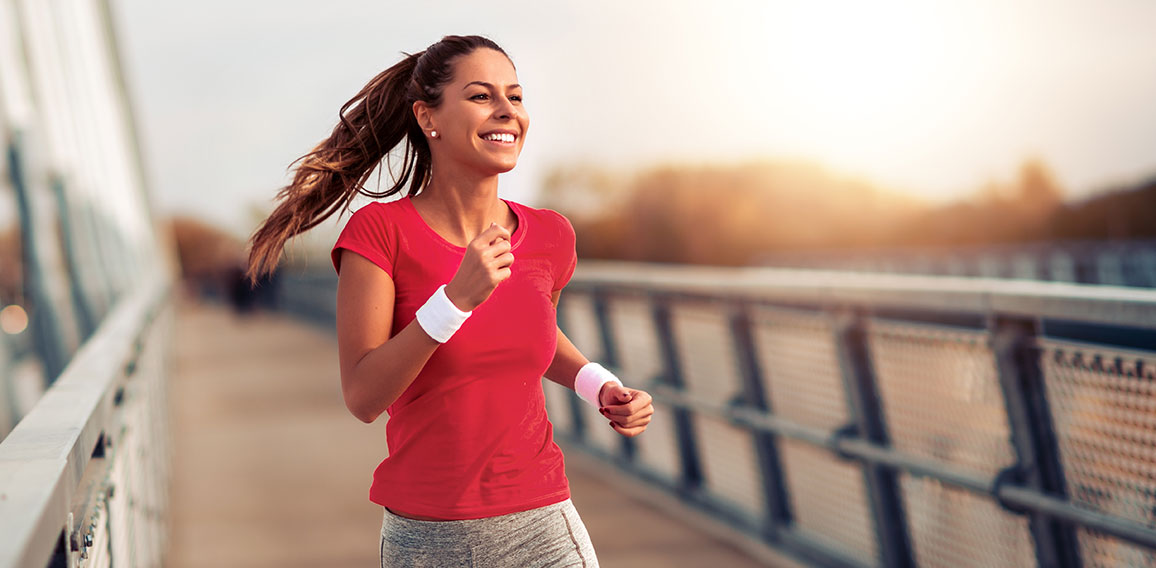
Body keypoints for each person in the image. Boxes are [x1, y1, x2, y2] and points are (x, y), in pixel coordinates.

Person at [246, 35, 654, 567]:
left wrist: (598, 384)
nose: (508, 111)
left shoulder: (551, 235)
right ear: (427, 117)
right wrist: (453, 302)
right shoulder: (380, 234)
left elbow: (531, 332)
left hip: (541, 525)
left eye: (516, 96)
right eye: (482, 96)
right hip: (425, 540)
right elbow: (364, 395)